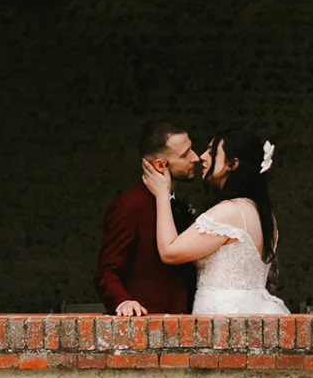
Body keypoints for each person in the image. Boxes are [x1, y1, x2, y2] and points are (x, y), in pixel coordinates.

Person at [142, 127, 289, 316]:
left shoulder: (229, 212)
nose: (202, 157)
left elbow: (170, 252)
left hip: (224, 314)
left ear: (233, 164)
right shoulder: (263, 213)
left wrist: (162, 194)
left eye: (212, 152)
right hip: (255, 308)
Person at [94, 120, 200, 316]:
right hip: (148, 324)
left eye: (191, 149)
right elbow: (107, 272)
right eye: (185, 155)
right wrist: (123, 301)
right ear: (160, 165)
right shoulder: (129, 206)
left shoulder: (180, 204)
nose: (196, 158)